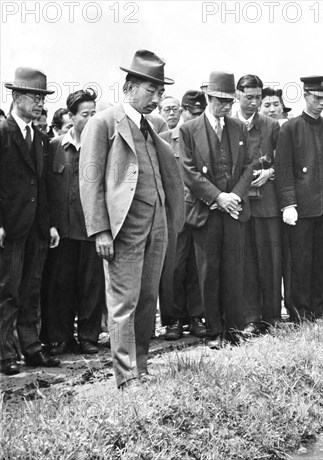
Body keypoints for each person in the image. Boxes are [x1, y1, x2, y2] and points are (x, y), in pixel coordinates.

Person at [80, 50, 184, 388]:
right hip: (123, 227)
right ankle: (126, 377)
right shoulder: (104, 122)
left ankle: (140, 366)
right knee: (123, 302)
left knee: (147, 297)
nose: (156, 99)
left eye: (159, 92)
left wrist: (167, 220)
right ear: (129, 87)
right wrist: (100, 231)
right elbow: (90, 179)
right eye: (150, 91)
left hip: (157, 225)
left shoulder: (153, 126)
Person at [179, 71, 254, 348]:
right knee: (208, 271)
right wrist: (217, 196)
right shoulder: (189, 130)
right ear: (209, 98)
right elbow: (187, 171)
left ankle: (233, 329)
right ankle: (213, 331)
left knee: (234, 269)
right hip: (205, 211)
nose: (225, 107)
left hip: (233, 211)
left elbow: (249, 166)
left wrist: (234, 196)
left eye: (229, 102)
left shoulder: (238, 128)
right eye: (220, 101)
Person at [0, 67, 61, 375]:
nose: (40, 103)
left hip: (36, 228)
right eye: (35, 97)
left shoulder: (40, 138)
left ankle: (31, 348)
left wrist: (49, 224)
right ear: (16, 97)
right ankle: (5, 355)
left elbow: (44, 186)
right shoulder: (3, 133)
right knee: (7, 291)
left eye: (42, 97)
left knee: (30, 290)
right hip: (10, 228)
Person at [275, 75, 323, 321]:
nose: (321, 103)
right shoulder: (290, 128)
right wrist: (288, 204)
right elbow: (284, 170)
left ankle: (316, 309)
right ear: (305, 96)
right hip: (302, 209)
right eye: (316, 98)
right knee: (299, 263)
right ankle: (298, 312)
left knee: (321, 262)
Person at [42, 88, 105, 355]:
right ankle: (61, 337)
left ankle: (89, 337)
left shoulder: (103, 146)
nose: (89, 119)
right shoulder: (54, 146)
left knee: (92, 286)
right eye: (84, 114)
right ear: (71, 115)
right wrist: (50, 224)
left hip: (92, 230)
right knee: (61, 287)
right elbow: (44, 189)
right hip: (62, 231)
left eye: (93, 114)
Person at [234, 75, 282, 329]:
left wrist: (270, 172)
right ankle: (251, 318)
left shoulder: (271, 125)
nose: (254, 103)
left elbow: (283, 160)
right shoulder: (228, 124)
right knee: (246, 261)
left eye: (258, 98)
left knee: (270, 261)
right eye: (249, 97)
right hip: (240, 204)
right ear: (237, 95)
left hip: (267, 204)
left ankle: (272, 316)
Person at [158, 90, 206, 340]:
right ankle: (173, 320)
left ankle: (197, 316)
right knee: (173, 268)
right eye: (190, 112)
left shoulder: (204, 139)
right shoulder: (164, 140)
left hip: (199, 211)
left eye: (199, 113)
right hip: (173, 214)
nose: (193, 117)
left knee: (196, 267)